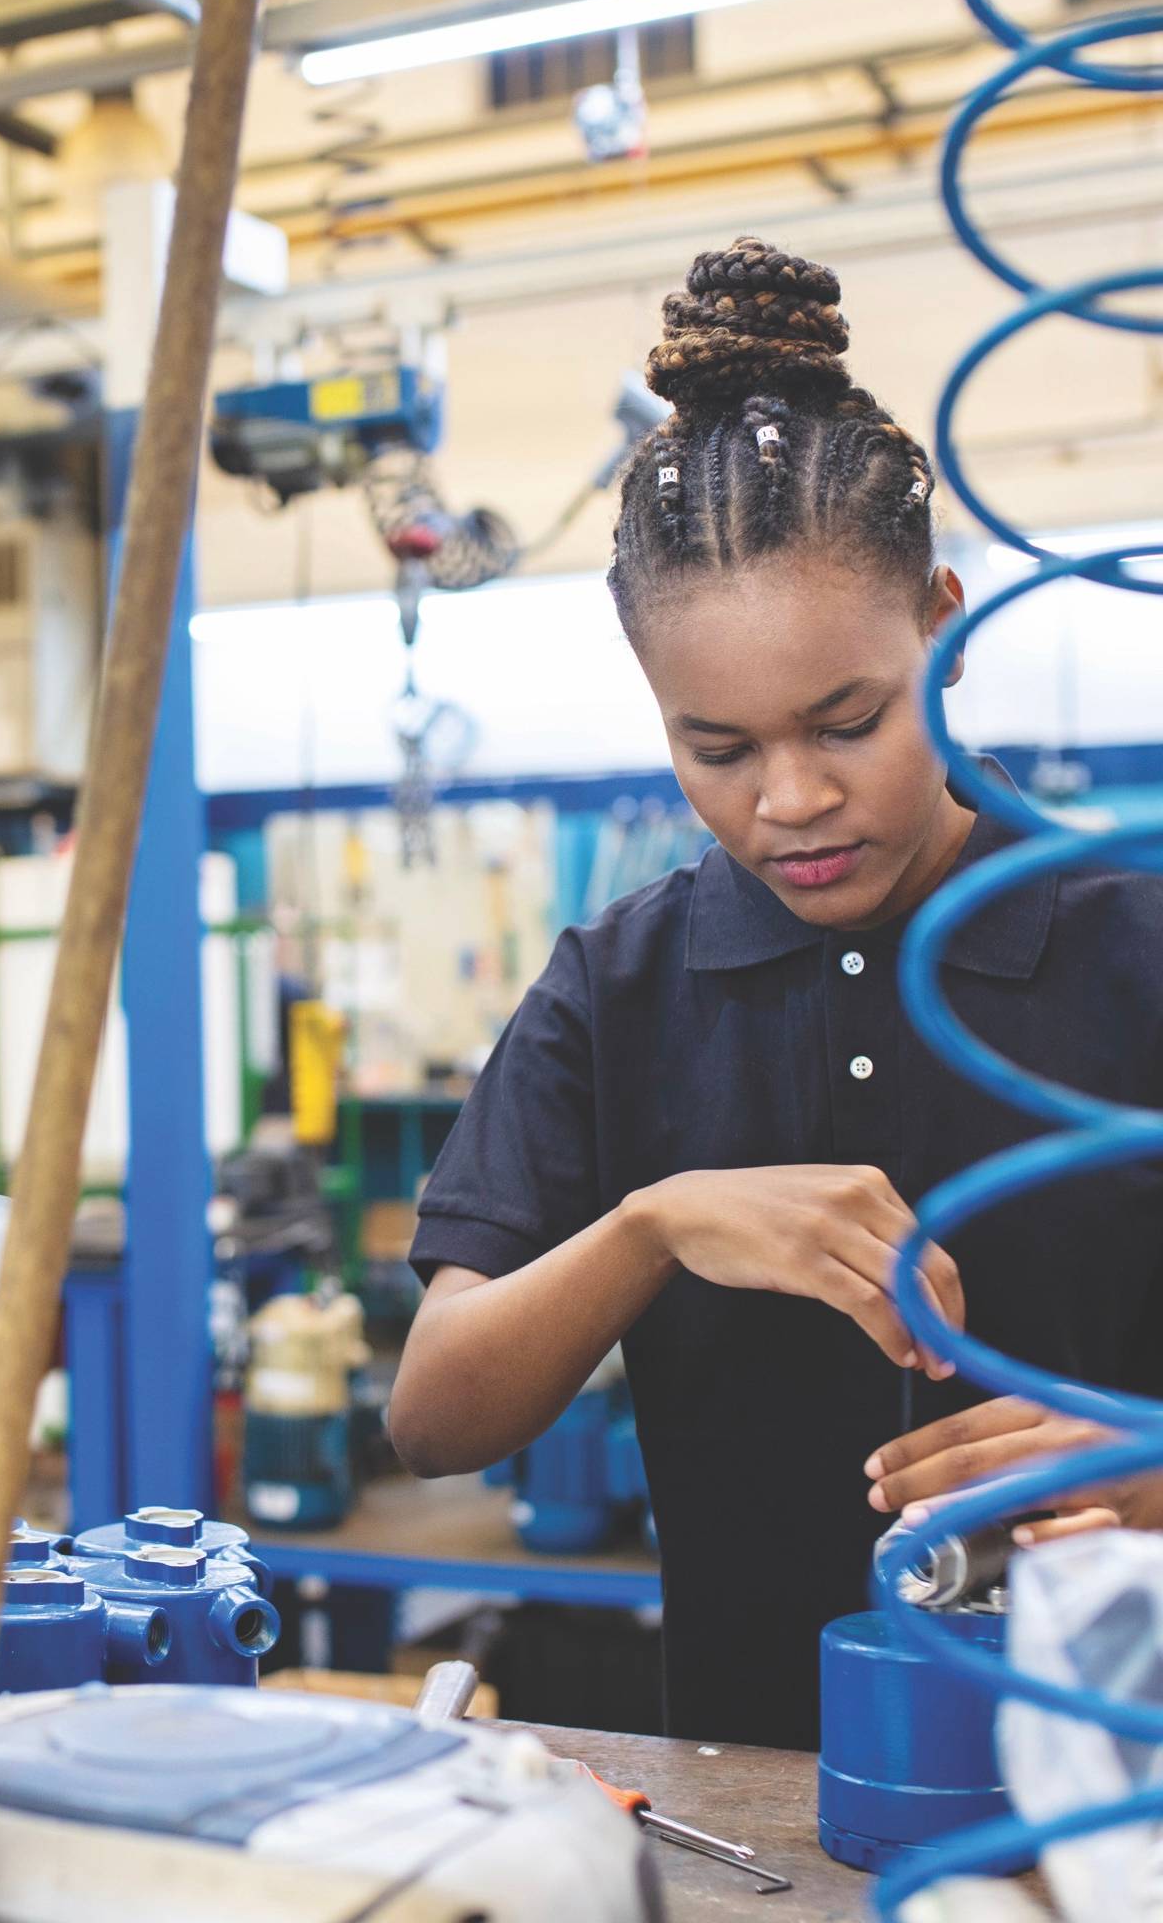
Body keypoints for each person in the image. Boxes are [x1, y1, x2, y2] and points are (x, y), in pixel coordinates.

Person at [390, 239, 1163, 1751]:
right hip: (752, 1797)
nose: (792, 801)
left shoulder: (1132, 945)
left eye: (847, 721)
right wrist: (656, 1222)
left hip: (1113, 1796)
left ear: (942, 617)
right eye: (719, 750)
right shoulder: (619, 987)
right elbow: (436, 1417)